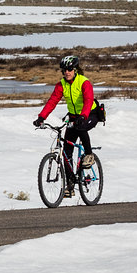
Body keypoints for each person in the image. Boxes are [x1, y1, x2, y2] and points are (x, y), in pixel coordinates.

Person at [35, 53, 102, 192]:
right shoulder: (61, 85)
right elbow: (52, 101)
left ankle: (89, 155)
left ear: (75, 70)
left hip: (90, 114)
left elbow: (88, 100)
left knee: (81, 128)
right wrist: (42, 117)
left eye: (69, 69)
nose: (67, 72)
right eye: (64, 70)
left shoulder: (84, 82)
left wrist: (83, 116)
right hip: (73, 117)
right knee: (66, 151)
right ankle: (70, 183)